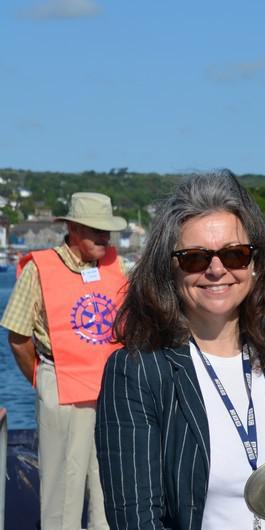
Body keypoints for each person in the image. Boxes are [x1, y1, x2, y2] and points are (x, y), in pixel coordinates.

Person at [95, 170, 265, 530]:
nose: (217, 270)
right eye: (195, 258)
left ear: (255, 264)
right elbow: (136, 519)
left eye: (235, 254)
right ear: (169, 269)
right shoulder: (138, 372)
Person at [1, 192, 127, 530]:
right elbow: (18, 338)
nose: (105, 237)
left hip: (111, 389)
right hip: (60, 382)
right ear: (73, 228)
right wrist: (44, 380)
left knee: (111, 488)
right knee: (61, 493)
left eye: (107, 230)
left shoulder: (119, 266)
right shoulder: (39, 268)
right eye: (96, 230)